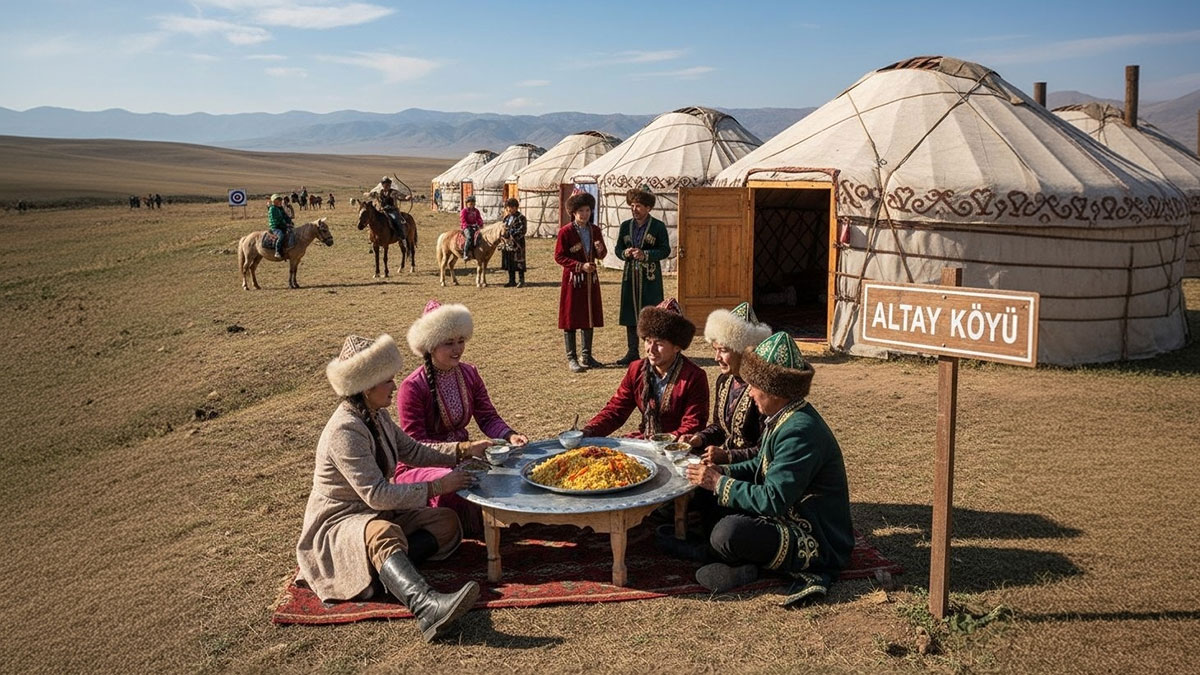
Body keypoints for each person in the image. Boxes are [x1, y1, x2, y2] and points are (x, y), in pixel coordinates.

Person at [295, 334, 482, 642]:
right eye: (387, 380)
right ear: (367, 386)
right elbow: (376, 494)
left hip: (377, 513)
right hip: (340, 523)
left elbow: (413, 450)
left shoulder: (376, 415)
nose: (394, 386)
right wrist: (438, 485)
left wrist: (465, 449)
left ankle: (381, 574)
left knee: (446, 522)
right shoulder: (346, 430)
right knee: (383, 533)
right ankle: (426, 607)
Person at [684, 331, 854, 604]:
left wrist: (719, 483)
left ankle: (741, 565)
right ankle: (729, 558)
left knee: (728, 533)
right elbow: (760, 465)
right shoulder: (783, 417)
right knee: (707, 497)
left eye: (754, 386)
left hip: (815, 534)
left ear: (774, 390)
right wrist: (722, 471)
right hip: (786, 512)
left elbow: (773, 499)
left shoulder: (800, 431)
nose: (749, 393)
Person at [395, 300, 528, 538]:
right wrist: (462, 452)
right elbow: (414, 449)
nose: (457, 349)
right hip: (423, 465)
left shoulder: (469, 373)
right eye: (449, 343)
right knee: (454, 482)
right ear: (430, 345)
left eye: (461, 341)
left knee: (511, 470)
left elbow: (487, 417)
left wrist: (509, 435)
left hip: (465, 456)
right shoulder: (412, 387)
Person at [581, 298, 708, 439]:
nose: (651, 350)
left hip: (679, 448)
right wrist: (589, 431)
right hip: (644, 440)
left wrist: (654, 441)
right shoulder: (636, 370)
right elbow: (616, 411)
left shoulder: (694, 377)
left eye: (659, 343)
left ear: (677, 346)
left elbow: (693, 424)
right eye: (648, 341)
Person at [678, 302, 772, 463]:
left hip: (752, 473)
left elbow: (766, 449)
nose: (716, 358)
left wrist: (728, 456)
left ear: (744, 350)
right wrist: (699, 438)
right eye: (715, 350)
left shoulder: (763, 390)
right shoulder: (725, 380)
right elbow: (720, 427)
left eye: (723, 350)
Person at [614, 187, 672, 365]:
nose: (634, 209)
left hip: (649, 279)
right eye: (632, 205)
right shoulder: (625, 226)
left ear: (648, 208)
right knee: (630, 313)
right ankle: (632, 351)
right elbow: (617, 249)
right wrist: (626, 253)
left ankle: (653, 351)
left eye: (638, 206)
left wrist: (646, 255)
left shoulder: (657, 226)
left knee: (651, 315)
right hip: (630, 277)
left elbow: (665, 250)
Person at [554, 192, 606, 373]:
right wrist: (579, 266)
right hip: (573, 280)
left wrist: (601, 251)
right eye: (581, 211)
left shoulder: (595, 230)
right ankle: (572, 358)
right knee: (571, 317)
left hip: (590, 281)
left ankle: (587, 356)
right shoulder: (565, 232)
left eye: (588, 210)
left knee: (588, 315)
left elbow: (601, 254)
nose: (585, 214)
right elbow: (559, 256)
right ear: (574, 212)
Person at [500, 197, 527, 288]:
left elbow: (522, 230)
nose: (509, 209)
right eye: (508, 207)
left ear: (516, 207)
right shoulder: (507, 218)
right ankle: (511, 280)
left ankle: (521, 280)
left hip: (518, 244)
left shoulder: (521, 218)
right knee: (509, 262)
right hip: (507, 244)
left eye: (511, 207)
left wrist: (511, 234)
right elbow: (503, 229)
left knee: (519, 262)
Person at [267, 193, 293, 259]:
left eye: (279, 200)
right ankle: (277, 251)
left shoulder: (279, 208)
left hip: (281, 226)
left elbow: (284, 217)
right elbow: (277, 219)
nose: (279, 201)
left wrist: (289, 222)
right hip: (275, 227)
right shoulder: (272, 209)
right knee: (281, 236)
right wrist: (285, 224)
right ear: (274, 201)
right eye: (277, 200)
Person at [460, 195, 484, 260]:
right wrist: (467, 225)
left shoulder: (476, 211)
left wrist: (480, 223)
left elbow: (479, 218)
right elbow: (463, 220)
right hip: (466, 227)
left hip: (474, 226)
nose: (472, 205)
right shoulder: (464, 211)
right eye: (470, 204)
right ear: (467, 204)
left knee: (480, 236)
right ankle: (465, 253)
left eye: (473, 204)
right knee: (469, 237)